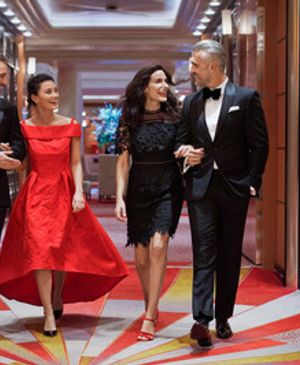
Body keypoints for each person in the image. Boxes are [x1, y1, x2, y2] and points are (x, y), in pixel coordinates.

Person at [0, 73, 129, 337]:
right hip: (35, 194)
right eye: (48, 92)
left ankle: (57, 294)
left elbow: (76, 163)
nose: (55, 96)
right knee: (41, 252)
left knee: (60, 249)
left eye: (56, 91)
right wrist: (9, 154)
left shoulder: (70, 125)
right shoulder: (24, 128)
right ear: (34, 97)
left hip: (64, 191)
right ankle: (48, 311)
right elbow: (23, 165)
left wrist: (79, 191)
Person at [175, 40, 269, 348]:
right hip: (201, 187)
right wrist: (185, 153)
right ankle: (201, 320)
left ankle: (224, 317)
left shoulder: (246, 97)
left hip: (234, 187)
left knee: (229, 255)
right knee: (204, 254)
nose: (191, 70)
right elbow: (180, 143)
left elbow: (259, 144)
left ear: (213, 65)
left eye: (195, 64)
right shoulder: (190, 103)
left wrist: (252, 181)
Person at [115, 65, 183, 341]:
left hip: (168, 185)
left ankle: (151, 315)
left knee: (158, 246)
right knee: (141, 256)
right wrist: (119, 196)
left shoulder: (175, 117)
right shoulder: (130, 119)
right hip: (139, 188)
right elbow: (122, 161)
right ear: (145, 87)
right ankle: (149, 303)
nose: (164, 85)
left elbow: (182, 147)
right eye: (158, 81)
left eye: (166, 81)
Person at [0, 55, 26, 345]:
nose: (3, 83)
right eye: (0, 76)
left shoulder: (7, 109)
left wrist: (11, 151)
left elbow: (21, 145)